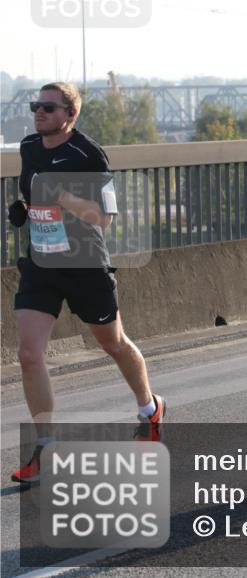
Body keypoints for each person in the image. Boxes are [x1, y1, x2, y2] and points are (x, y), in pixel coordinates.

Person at [7, 82, 165, 484]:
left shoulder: (88, 154)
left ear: (70, 114)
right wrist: (26, 209)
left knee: (113, 343)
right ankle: (47, 447)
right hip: (41, 264)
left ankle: (149, 409)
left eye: (48, 107)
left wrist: (62, 198)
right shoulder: (28, 148)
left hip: (84, 264)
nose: (38, 113)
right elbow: (33, 194)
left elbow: (104, 218)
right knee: (29, 355)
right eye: (35, 106)